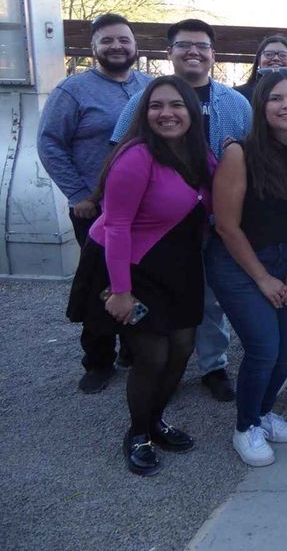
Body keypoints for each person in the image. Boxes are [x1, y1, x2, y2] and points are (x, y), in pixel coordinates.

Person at [67, 76, 214, 475]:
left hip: (179, 266)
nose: (166, 114)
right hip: (129, 265)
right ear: (144, 114)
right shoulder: (135, 157)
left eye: (176, 105)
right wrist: (119, 291)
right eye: (156, 106)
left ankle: (155, 419)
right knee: (152, 354)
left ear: (192, 112)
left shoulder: (201, 154)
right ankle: (138, 433)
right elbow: (115, 226)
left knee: (182, 348)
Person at [113, 19, 252, 402]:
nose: (194, 52)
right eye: (184, 45)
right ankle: (153, 364)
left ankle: (213, 364)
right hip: (160, 226)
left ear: (213, 54)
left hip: (215, 220)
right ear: (169, 52)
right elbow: (120, 148)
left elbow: (251, 159)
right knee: (159, 296)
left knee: (211, 296)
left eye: (202, 46)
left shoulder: (237, 104)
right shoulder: (144, 100)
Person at [206, 72, 287, 467]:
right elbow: (226, 225)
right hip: (240, 264)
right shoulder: (239, 153)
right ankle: (245, 427)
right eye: (276, 98)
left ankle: (262, 411)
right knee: (264, 348)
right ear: (261, 106)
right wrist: (261, 277)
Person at [38, 13, 152, 393]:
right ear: (94, 48)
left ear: (135, 46)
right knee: (101, 283)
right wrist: (78, 194)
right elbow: (50, 144)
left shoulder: (151, 86)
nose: (117, 46)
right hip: (96, 209)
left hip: (145, 210)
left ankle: (132, 349)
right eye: (107, 41)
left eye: (124, 39)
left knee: (141, 279)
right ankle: (98, 358)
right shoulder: (73, 91)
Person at [235, 34, 287, 101]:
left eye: (283, 55)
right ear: (259, 60)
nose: (276, 58)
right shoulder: (239, 95)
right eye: (269, 54)